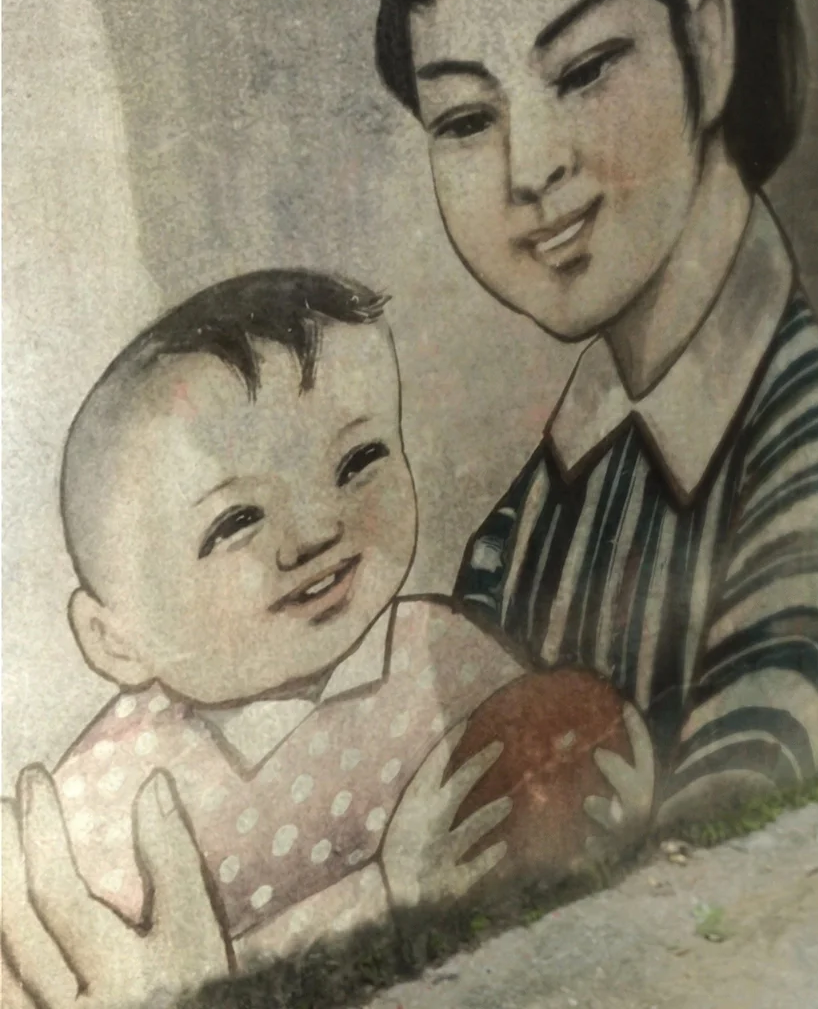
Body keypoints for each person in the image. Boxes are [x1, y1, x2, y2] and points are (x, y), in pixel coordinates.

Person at [361, 0, 818, 832]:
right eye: (464, 120)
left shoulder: (814, 461)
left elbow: (743, 816)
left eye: (585, 70)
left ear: (709, 41)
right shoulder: (541, 497)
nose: (530, 169)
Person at [3, 270, 652, 997]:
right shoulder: (109, 793)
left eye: (358, 462)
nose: (316, 532)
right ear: (114, 639)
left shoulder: (444, 652)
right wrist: (384, 898)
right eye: (235, 521)